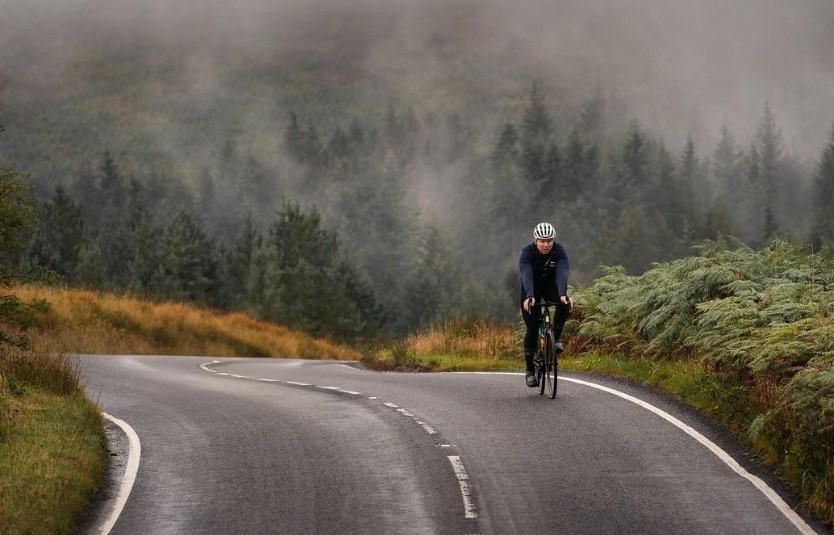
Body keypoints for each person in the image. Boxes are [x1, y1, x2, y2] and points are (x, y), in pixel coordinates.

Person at [519, 222, 571, 387]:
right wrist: (529, 296)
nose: (546, 244)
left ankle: (554, 339)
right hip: (531, 290)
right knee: (533, 327)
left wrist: (563, 294)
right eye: (542, 241)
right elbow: (526, 274)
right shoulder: (527, 253)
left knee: (565, 304)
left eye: (549, 241)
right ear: (536, 240)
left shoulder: (559, 251)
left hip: (550, 287)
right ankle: (529, 370)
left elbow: (562, 272)